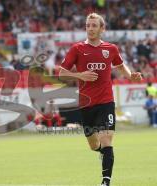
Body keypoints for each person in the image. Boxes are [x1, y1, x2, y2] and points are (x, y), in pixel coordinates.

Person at [59, 13, 142, 186]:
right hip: (86, 104)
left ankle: (105, 181)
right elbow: (62, 73)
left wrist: (130, 76)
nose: (90, 28)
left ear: (102, 28)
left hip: (106, 102)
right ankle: (101, 152)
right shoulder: (77, 48)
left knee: (107, 140)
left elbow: (120, 65)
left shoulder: (111, 49)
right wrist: (79, 74)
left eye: (94, 25)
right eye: (88, 25)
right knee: (93, 144)